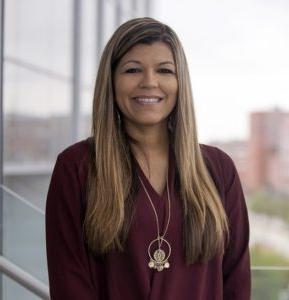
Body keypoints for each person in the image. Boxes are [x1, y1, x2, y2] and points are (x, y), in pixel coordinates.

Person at [45, 17, 251, 300]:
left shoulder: (218, 169)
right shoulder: (76, 168)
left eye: (164, 70)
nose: (149, 82)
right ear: (111, 81)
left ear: (180, 82)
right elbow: (70, 285)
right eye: (132, 70)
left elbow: (237, 282)